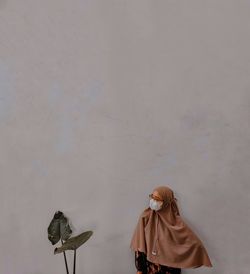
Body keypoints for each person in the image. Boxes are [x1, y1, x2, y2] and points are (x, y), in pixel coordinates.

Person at [130, 186, 213, 274]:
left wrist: (198, 254)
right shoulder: (146, 217)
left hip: (170, 270)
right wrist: (140, 269)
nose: (153, 201)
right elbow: (139, 245)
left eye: (157, 199)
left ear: (166, 202)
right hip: (151, 268)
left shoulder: (176, 222)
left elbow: (192, 243)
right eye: (152, 197)